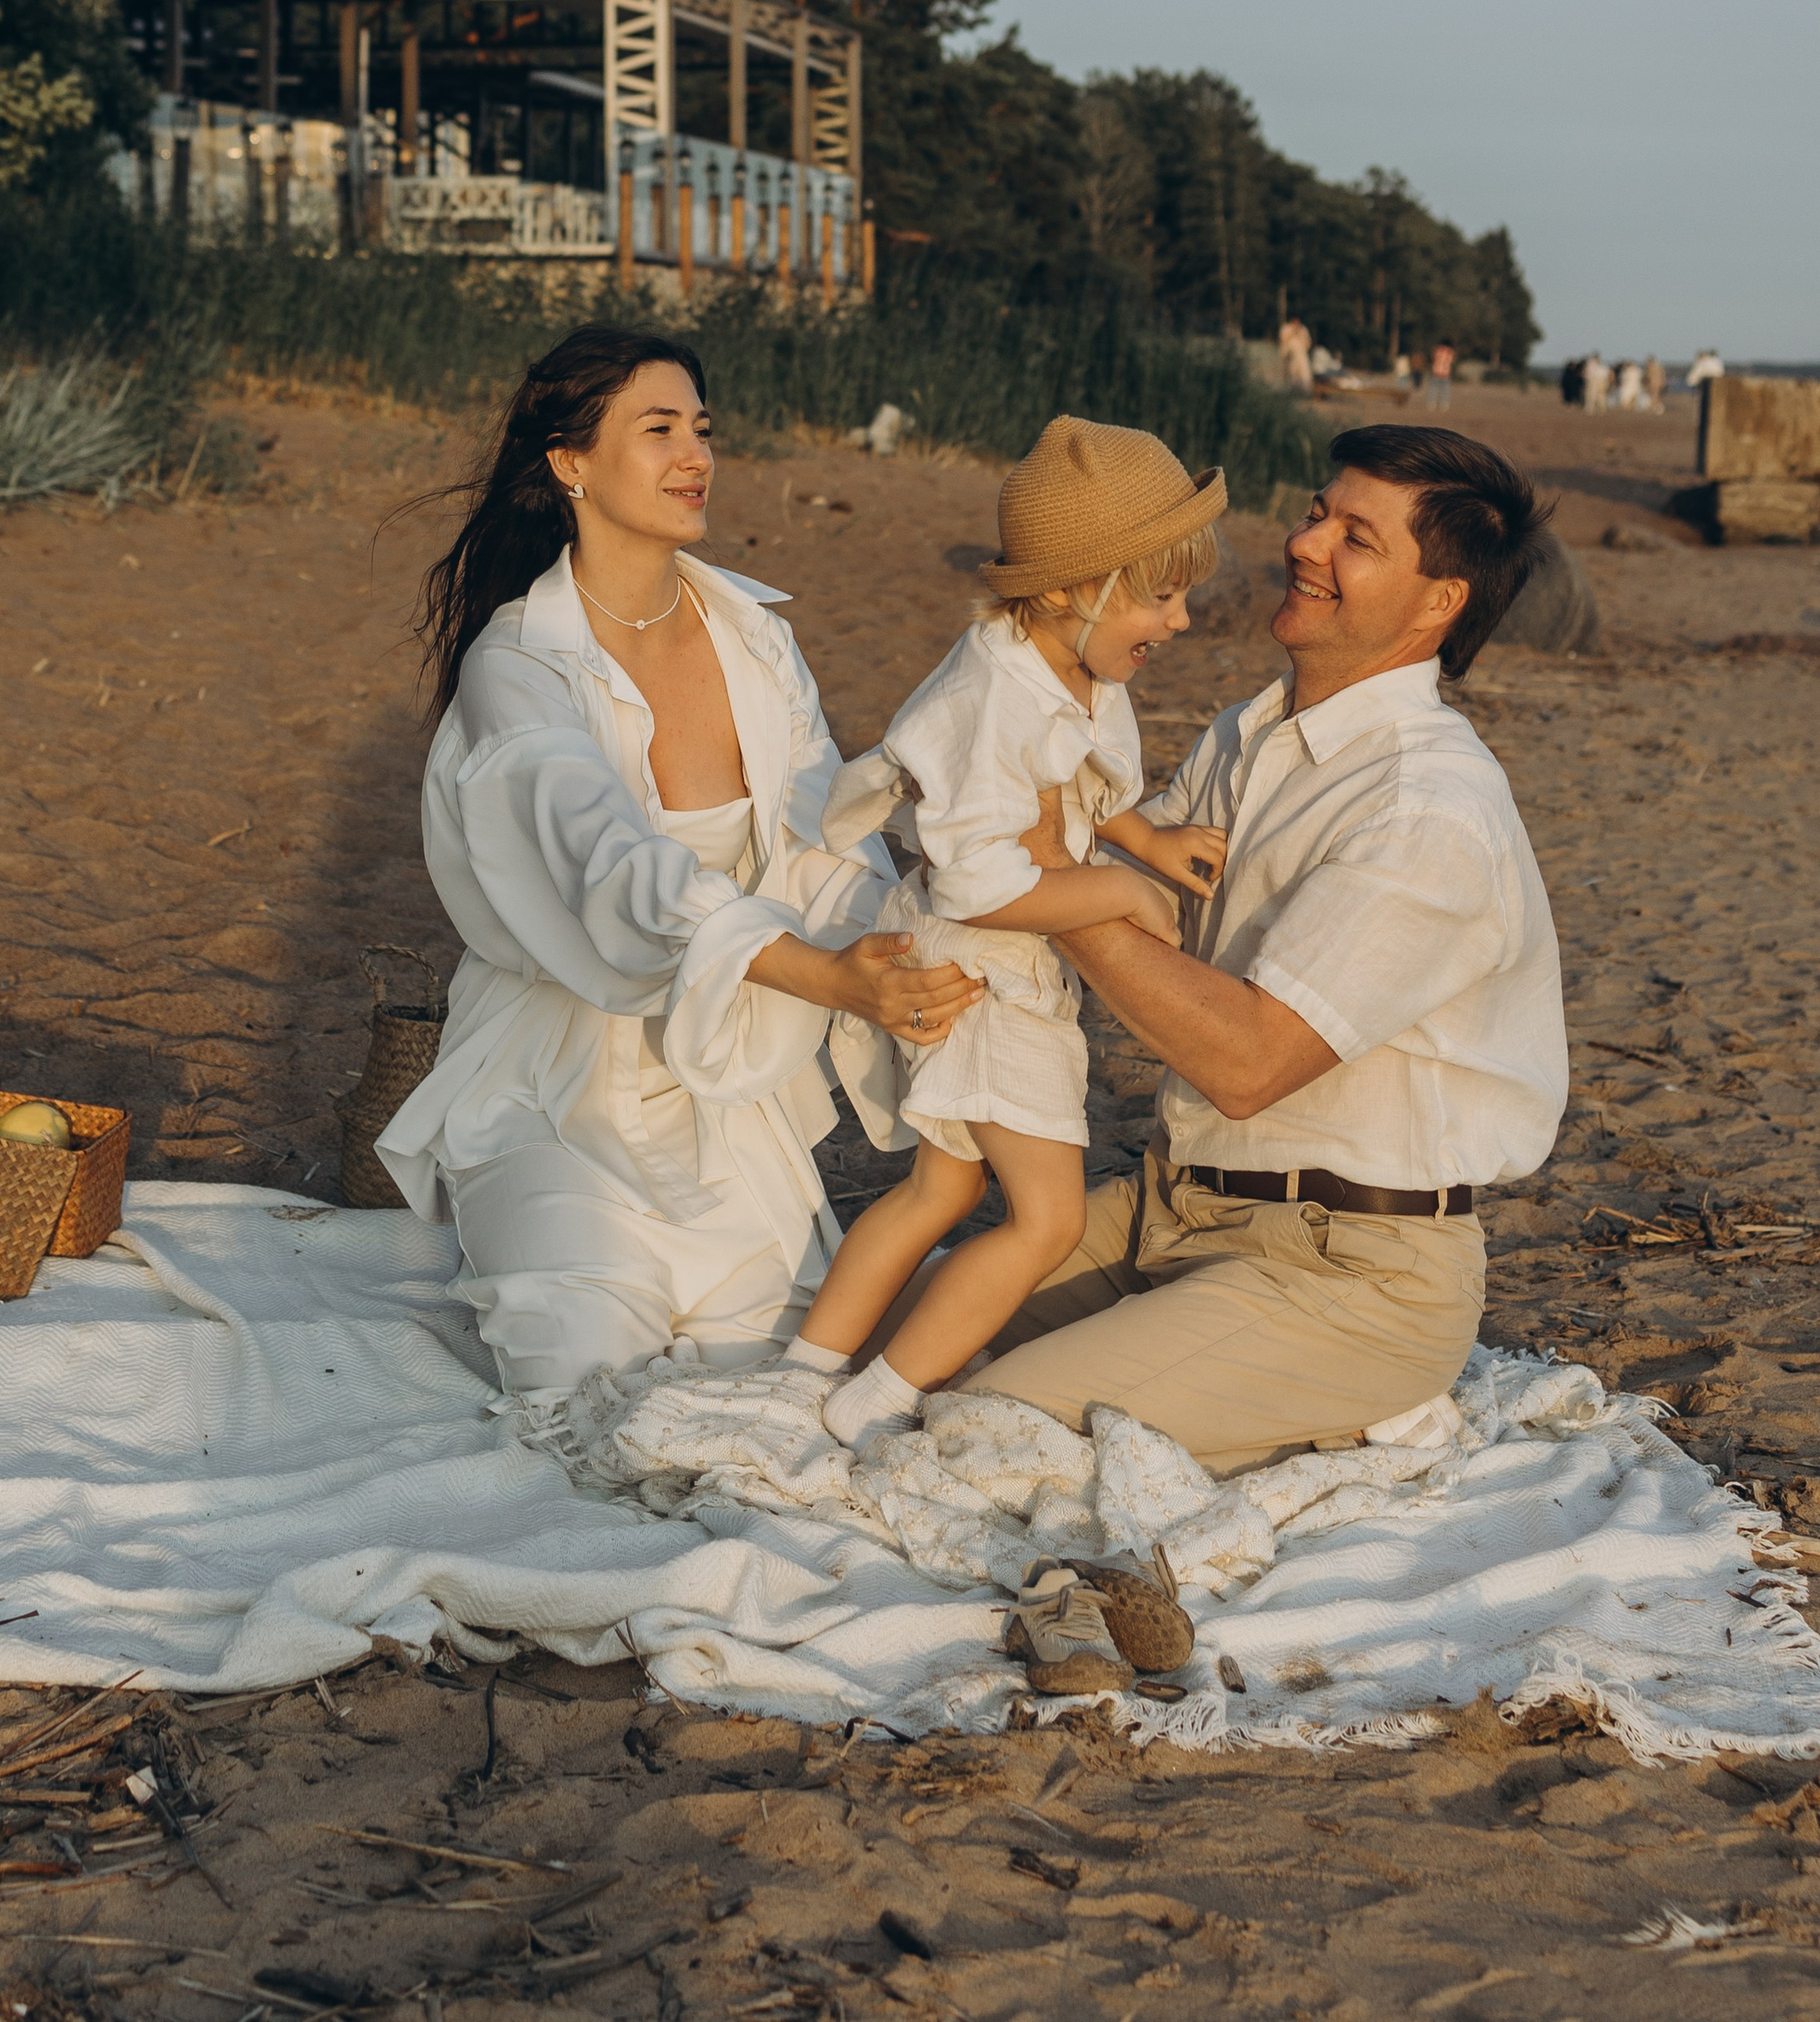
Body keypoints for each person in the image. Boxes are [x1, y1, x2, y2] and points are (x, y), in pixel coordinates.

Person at [375, 327, 982, 1395]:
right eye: (657, 430)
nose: (694, 455)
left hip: (723, 1075)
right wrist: (822, 976)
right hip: (551, 1077)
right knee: (581, 1372)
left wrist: (916, 943)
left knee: (760, 1371)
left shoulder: (752, 635)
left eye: (701, 429)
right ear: (569, 462)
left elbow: (813, 845)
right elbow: (608, 866)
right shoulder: (516, 663)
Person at [969, 423, 1567, 1475]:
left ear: (1439, 603)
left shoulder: (1426, 806)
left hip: (1352, 1271)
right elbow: (1113, 897)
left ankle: (1342, 1414)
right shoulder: (1254, 733)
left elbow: (1249, 1063)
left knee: (994, 1429)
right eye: (1314, 512)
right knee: (897, 1347)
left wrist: (1049, 885)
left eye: (1357, 539)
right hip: (1174, 1207)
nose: (1306, 544)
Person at [786, 422, 1230, 1450]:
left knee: (944, 1184)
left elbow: (1073, 780)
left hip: (973, 957)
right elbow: (981, 882)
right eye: (1160, 593)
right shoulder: (987, 698)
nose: (1182, 617)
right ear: (1080, 588)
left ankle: (802, 1370)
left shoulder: (1063, 667)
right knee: (1049, 1222)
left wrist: (1141, 840)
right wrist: (1115, 895)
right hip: (978, 968)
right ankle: (877, 1398)